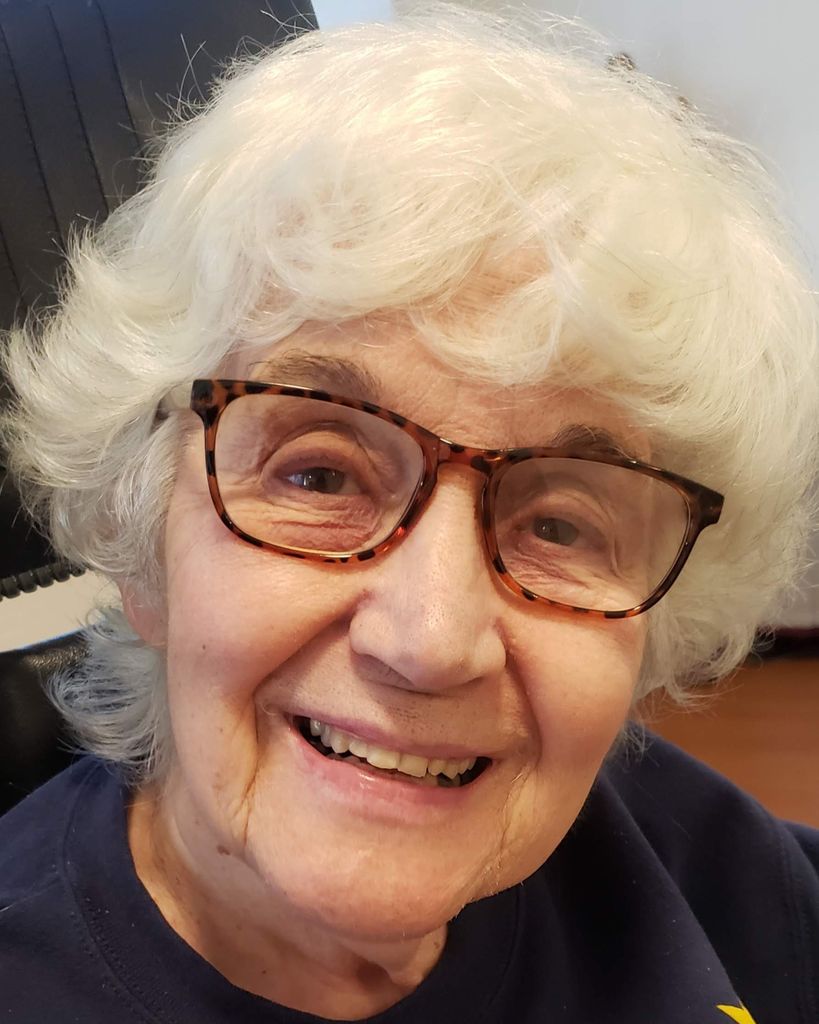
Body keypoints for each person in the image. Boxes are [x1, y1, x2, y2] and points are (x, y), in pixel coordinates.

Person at [1, 8, 817, 1023]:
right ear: (142, 541)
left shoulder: (702, 864)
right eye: (318, 477)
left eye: (560, 526)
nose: (430, 641)